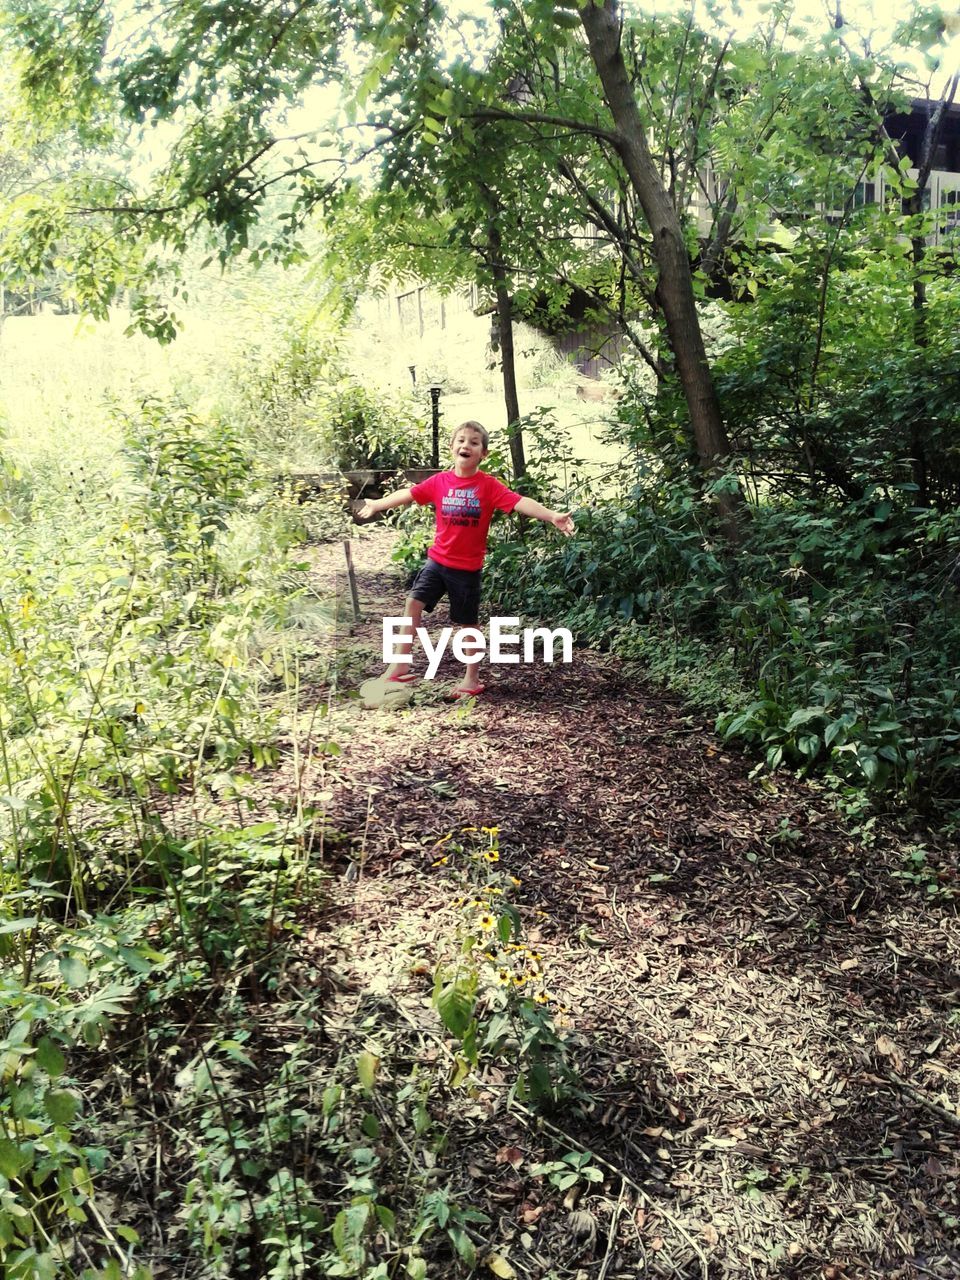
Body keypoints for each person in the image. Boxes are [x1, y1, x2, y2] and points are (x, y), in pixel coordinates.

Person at [357, 420, 574, 696]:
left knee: (466, 624)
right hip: (437, 561)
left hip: (466, 569)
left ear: (483, 453)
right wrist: (377, 504)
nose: (465, 445)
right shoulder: (440, 482)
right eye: (461, 440)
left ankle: (471, 679)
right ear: (452, 447)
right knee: (412, 602)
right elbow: (409, 494)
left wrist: (551, 515)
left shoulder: (488, 486)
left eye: (473, 442)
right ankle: (399, 665)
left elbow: (519, 502)